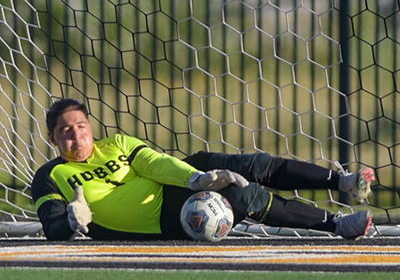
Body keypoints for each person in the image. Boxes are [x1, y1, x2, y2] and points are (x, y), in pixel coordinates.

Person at [31, 98, 376, 241]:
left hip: (169, 185)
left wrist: (194, 178)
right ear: (53, 138)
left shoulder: (115, 143)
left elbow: (153, 162)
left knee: (242, 165)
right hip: (159, 219)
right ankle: (336, 224)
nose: (76, 134)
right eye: (66, 130)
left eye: (81, 126)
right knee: (243, 195)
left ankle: (342, 181)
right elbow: (52, 226)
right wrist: (73, 221)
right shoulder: (50, 175)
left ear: (90, 127)